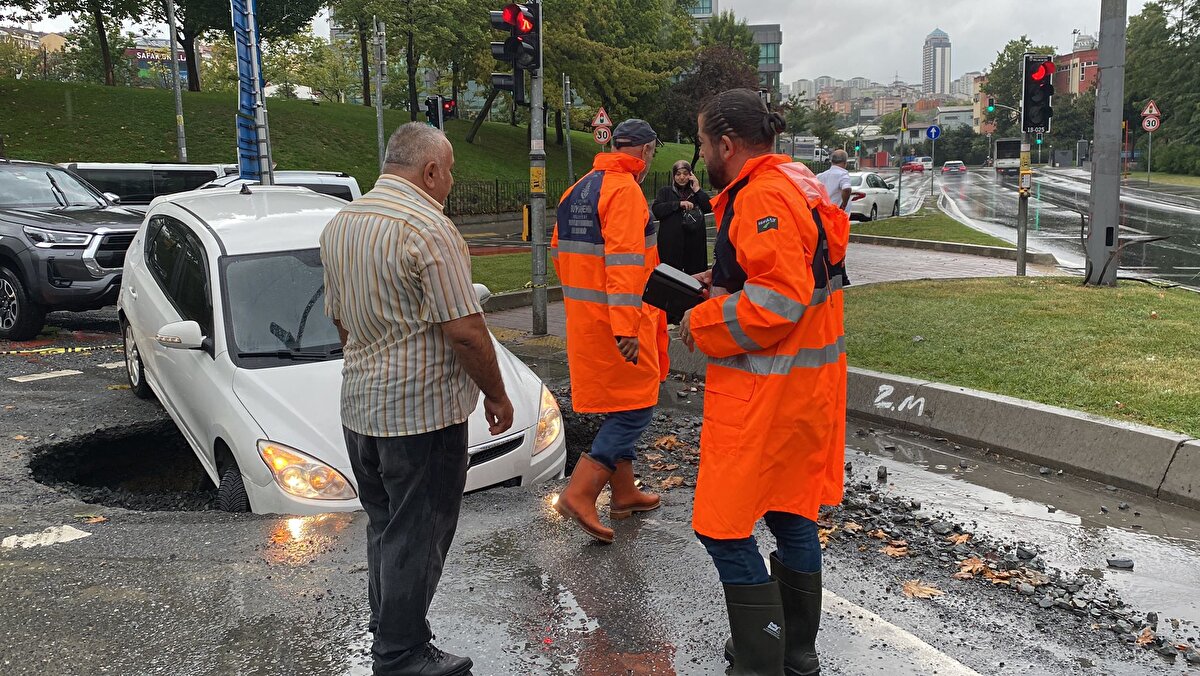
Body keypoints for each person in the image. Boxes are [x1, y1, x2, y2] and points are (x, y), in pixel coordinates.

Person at [320, 122, 515, 676]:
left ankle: (395, 635)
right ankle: (401, 654)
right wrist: (495, 394)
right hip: (421, 416)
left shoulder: (341, 225)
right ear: (430, 170)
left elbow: (340, 319)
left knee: (386, 525)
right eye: (449, 171)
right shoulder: (431, 230)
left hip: (360, 410)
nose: (451, 182)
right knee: (419, 531)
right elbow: (466, 332)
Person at [678, 89, 849, 676]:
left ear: (727, 144)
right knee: (790, 513)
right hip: (807, 394)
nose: (700, 156)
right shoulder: (800, 184)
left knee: (722, 528)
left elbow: (776, 303)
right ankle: (796, 653)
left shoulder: (759, 197)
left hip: (763, 398)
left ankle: (761, 659)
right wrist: (722, 276)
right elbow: (794, 275)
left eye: (702, 144)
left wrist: (701, 321)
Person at [550, 118, 670, 544]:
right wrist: (627, 327)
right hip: (621, 321)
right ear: (643, 151)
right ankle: (581, 493)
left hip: (587, 320)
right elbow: (624, 264)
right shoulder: (624, 191)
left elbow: (559, 256)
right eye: (653, 151)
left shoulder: (576, 190)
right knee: (637, 405)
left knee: (621, 405)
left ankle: (624, 492)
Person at [652, 160, 713, 279]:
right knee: (670, 278)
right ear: (673, 176)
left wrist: (697, 189)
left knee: (694, 279)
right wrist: (678, 204)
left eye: (685, 173)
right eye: (678, 174)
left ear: (690, 175)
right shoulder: (665, 192)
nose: (682, 177)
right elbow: (657, 210)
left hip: (694, 245)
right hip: (671, 245)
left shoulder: (696, 194)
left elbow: (708, 207)